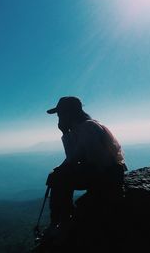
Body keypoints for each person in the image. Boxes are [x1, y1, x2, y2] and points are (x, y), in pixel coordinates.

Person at [45, 96, 127, 231]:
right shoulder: (80, 128)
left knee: (59, 178)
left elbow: (82, 158)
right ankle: (61, 219)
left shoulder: (88, 128)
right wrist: (61, 167)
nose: (59, 117)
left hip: (106, 174)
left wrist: (65, 133)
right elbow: (74, 156)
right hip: (103, 172)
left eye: (60, 113)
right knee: (57, 175)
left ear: (69, 113)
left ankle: (61, 221)